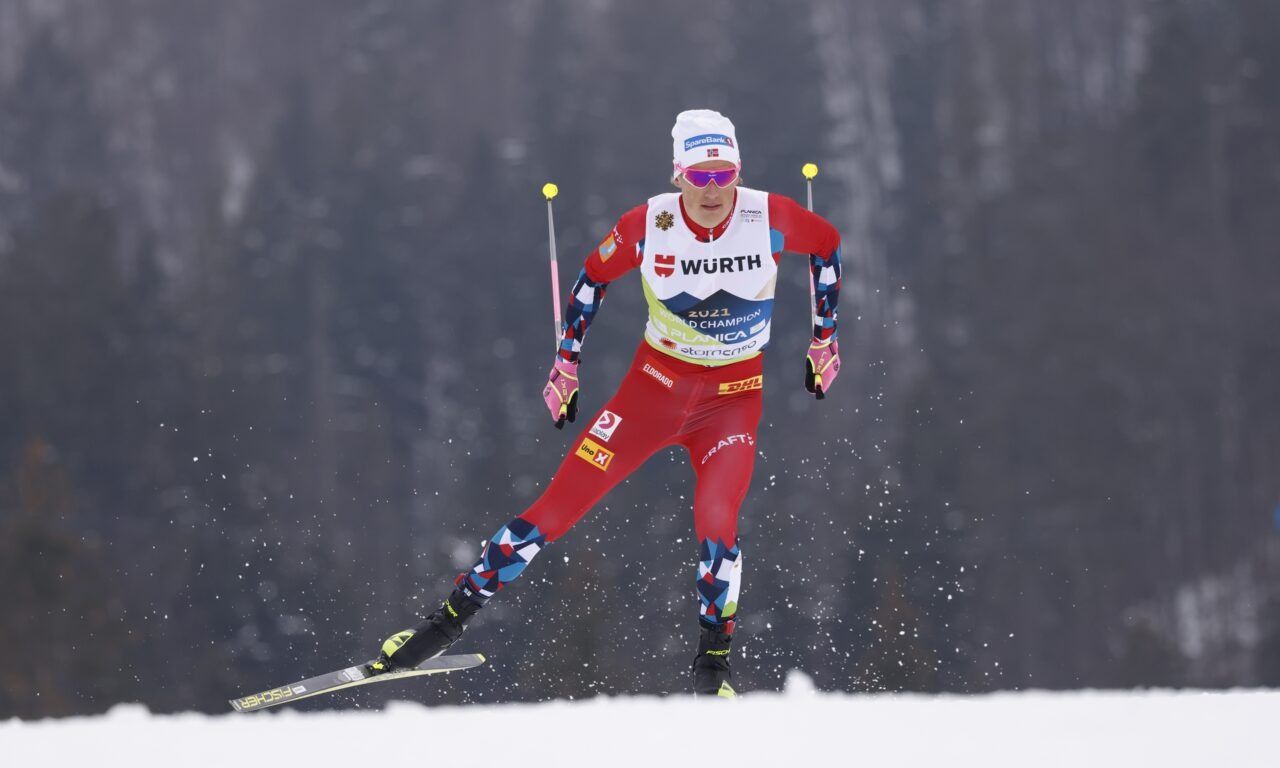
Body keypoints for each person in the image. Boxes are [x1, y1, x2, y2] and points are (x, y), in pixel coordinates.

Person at [370, 109, 843, 698]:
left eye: (725, 175)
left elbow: (827, 247)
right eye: (700, 177)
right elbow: (591, 281)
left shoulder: (767, 214)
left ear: (739, 172)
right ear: (678, 177)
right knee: (554, 511)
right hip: (652, 394)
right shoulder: (648, 224)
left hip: (732, 399)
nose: (714, 191)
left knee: (718, 521)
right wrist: (566, 364)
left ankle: (713, 670)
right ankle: (441, 626)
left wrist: (825, 339)